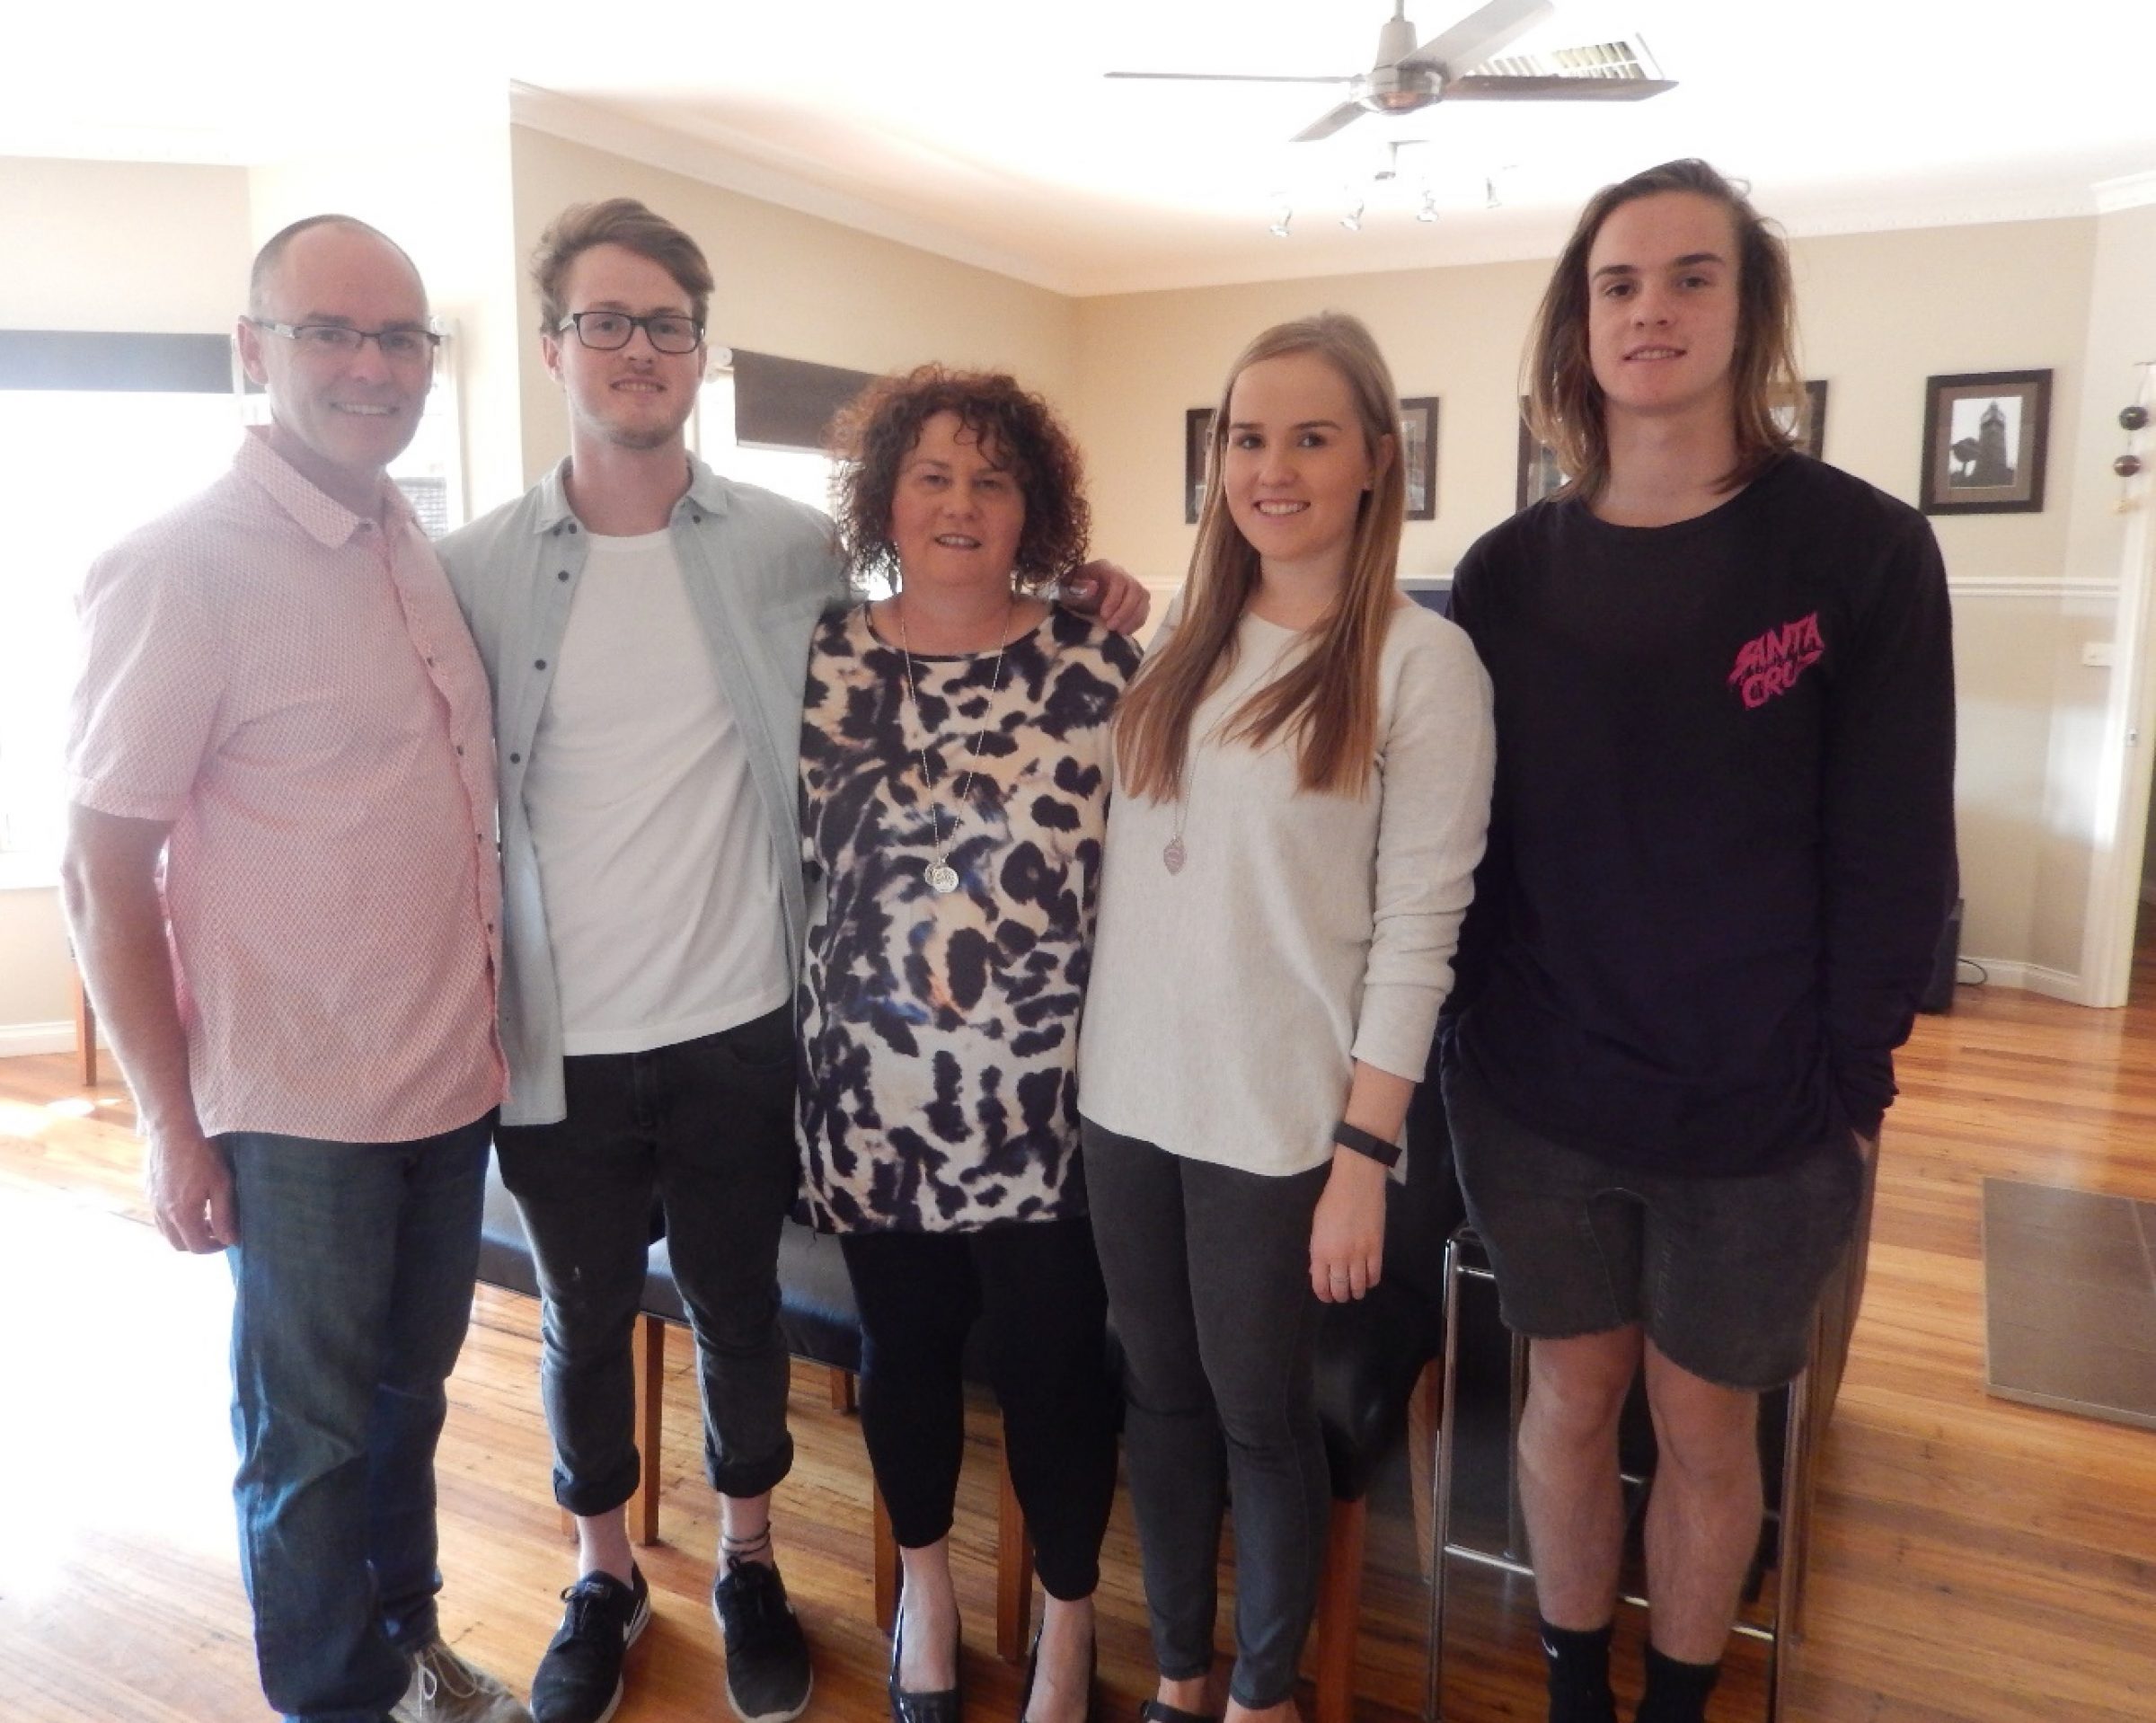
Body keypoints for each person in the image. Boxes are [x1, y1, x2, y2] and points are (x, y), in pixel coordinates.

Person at [436, 199, 1147, 1723]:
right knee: (589, 1318)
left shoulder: (792, 563)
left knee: (764, 1313)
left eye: (667, 324)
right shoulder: (482, 567)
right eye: (606, 322)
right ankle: (612, 1577)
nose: (637, 348)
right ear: (555, 341)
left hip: (832, 1047)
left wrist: (1104, 590)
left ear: (703, 349)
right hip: (668, 1046)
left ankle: (769, 1569)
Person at [1442, 159, 1957, 1723]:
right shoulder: (1505, 574)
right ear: (1577, 321)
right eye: (1618, 283)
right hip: (1534, 1091)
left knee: (1712, 1423)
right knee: (1568, 1398)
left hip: (1760, 1106)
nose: (1651, 309)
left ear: (1751, 311)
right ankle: (1576, 1691)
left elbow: (1894, 851)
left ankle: (1677, 1702)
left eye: (1690, 277)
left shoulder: (1861, 553)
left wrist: (1851, 1086)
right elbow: (1461, 842)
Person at [62, 215, 525, 1723]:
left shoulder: (412, 543)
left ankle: (405, 1647)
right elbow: (99, 866)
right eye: (333, 332)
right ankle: (334, 1695)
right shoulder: (179, 568)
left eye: (401, 338)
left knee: (404, 1406)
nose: (373, 365)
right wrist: (165, 1119)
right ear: (253, 350)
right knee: (309, 1437)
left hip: (447, 1082)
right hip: (300, 1105)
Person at [1078, 313, 1495, 1723]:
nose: (1273, 467)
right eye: (1247, 438)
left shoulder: (1421, 666)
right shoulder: (1175, 646)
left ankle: (1265, 1695)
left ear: (1378, 459)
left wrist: (1365, 1155)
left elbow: (1420, 935)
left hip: (1280, 1118)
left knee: (1263, 1416)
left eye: (1312, 435)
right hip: (1127, 1094)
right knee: (1160, 1399)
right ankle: (1181, 1678)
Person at [798, 367, 1138, 1723]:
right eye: (933, 474)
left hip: (1049, 1104)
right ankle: (924, 1592)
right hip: (869, 1098)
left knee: (1057, 1367)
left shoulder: (1099, 661)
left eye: (993, 479)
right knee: (908, 1352)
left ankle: (1067, 1622)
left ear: (1034, 509)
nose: (959, 502)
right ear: (885, 493)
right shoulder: (816, 650)